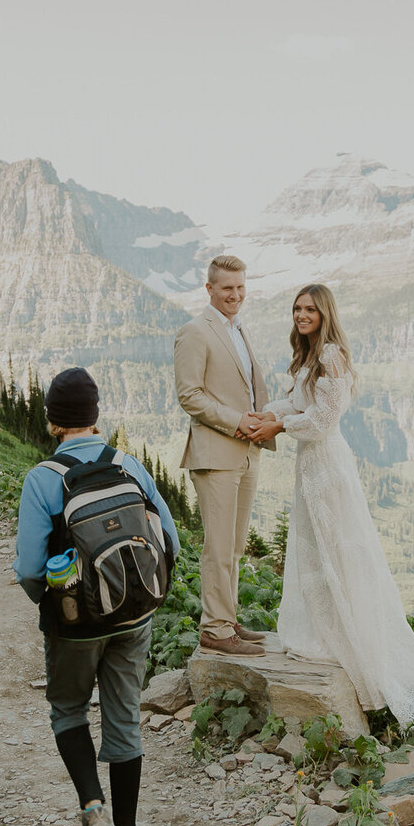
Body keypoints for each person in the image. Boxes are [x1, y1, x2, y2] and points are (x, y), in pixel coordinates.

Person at [249, 284, 414, 725]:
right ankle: (325, 630)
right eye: (297, 308)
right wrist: (269, 412)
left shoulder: (332, 355)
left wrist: (278, 428)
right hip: (310, 466)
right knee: (313, 549)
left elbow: (323, 419)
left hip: (327, 466)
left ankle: (350, 641)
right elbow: (300, 402)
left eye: (310, 310)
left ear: (325, 314)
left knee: (336, 549)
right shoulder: (308, 356)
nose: (302, 315)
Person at [14, 367, 179, 826]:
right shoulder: (128, 465)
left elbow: (27, 569)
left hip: (76, 624)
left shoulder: (43, 477)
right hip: (136, 616)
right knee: (124, 718)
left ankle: (93, 812)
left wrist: (56, 605)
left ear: (52, 421)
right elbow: (169, 539)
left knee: (67, 709)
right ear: (96, 416)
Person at [173, 254, 274, 656]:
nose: (235, 295)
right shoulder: (195, 331)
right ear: (210, 289)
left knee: (234, 545)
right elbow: (189, 395)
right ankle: (214, 628)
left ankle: (227, 619)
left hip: (246, 451)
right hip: (216, 454)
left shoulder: (238, 329)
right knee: (217, 546)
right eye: (227, 288)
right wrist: (238, 421)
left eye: (240, 287)